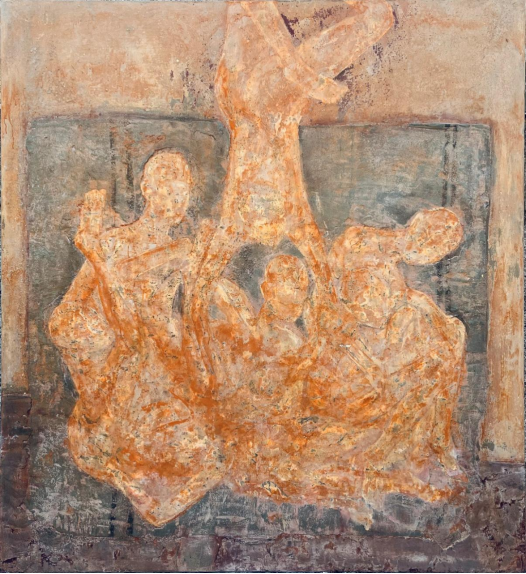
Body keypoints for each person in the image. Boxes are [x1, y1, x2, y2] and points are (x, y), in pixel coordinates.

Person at [189, 0, 395, 391]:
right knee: (378, 19)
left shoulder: (235, 224)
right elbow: (326, 286)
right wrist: (318, 346)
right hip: (275, 98)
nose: (294, 288)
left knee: (256, 35)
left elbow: (198, 298)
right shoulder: (295, 219)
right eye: (297, 290)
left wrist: (206, 367)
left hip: (247, 100)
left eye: (289, 288)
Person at [49, 149, 225, 526]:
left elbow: (197, 313)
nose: (176, 199)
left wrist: (200, 360)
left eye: (183, 191)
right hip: (123, 358)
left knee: (198, 446)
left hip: (167, 355)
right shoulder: (113, 243)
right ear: (147, 188)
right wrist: (95, 340)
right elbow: (70, 309)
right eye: (167, 188)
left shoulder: (185, 249)